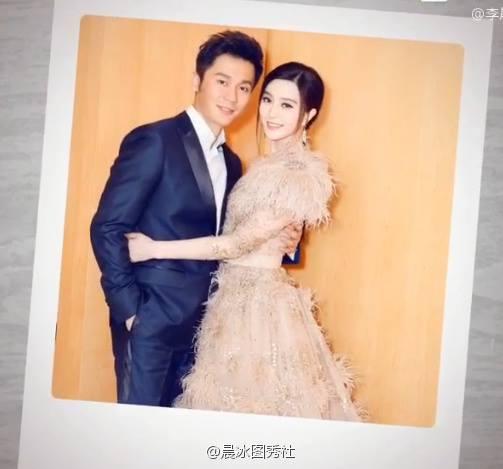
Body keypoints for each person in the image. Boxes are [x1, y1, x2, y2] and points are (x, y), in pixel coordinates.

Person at [126, 62, 366, 421]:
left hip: (258, 310)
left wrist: (152, 249)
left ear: (309, 115)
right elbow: (255, 234)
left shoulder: (299, 173)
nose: (272, 112)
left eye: (287, 105)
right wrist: (288, 242)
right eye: (267, 100)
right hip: (227, 301)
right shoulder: (256, 165)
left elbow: (235, 244)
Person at [90, 31, 302, 407]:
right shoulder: (156, 140)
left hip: (206, 328)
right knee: (139, 430)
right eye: (222, 82)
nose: (232, 96)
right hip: (150, 320)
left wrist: (288, 243)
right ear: (197, 80)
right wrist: (131, 312)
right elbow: (107, 226)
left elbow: (233, 239)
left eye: (243, 88)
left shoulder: (232, 163)